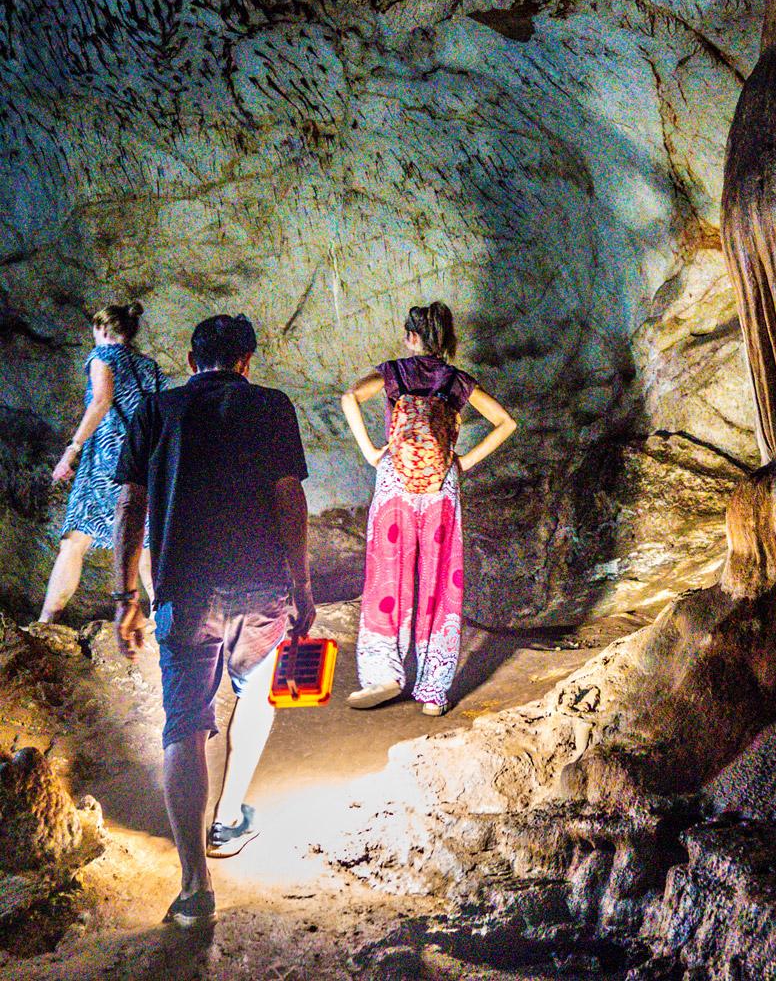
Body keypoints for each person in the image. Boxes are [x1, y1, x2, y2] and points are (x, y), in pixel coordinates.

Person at [113, 313, 315, 929]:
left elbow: (130, 505)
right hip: (260, 585)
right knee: (257, 690)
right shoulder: (271, 406)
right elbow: (289, 497)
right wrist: (303, 584)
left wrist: (126, 596)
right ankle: (228, 819)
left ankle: (194, 886)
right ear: (246, 360)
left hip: (185, 588)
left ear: (190, 358)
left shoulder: (155, 410)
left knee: (184, 722)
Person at [340, 301, 516, 715]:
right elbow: (506, 422)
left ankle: (383, 675)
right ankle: (434, 691)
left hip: (394, 480)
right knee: (441, 580)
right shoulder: (457, 380)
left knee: (387, 574)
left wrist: (371, 452)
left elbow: (349, 397)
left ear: (411, 337)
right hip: (441, 484)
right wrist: (463, 462)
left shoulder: (394, 372)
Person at [41, 301, 164, 624]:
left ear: (102, 329)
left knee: (76, 539)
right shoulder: (150, 367)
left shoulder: (102, 356)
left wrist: (72, 449)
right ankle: (164, 622)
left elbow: (101, 400)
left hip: (106, 462)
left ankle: (44, 624)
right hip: (144, 462)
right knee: (144, 544)